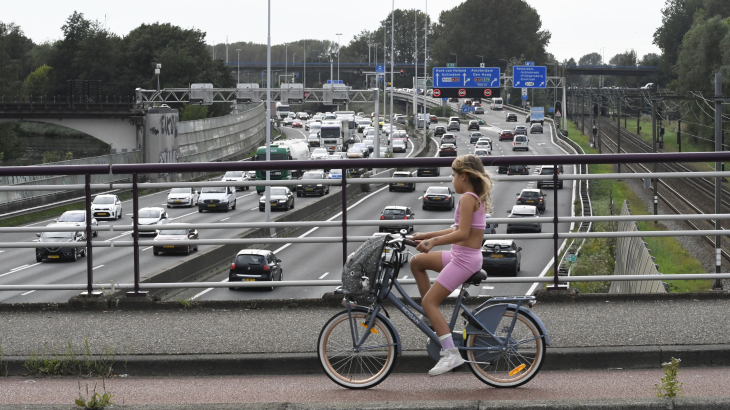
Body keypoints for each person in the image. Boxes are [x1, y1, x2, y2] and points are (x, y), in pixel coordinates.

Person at [410, 154, 493, 376]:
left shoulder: (467, 198)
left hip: (464, 260)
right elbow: (455, 229)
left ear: (463, 176)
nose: (452, 180)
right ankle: (431, 316)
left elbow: (462, 233)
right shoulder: (472, 196)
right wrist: (425, 235)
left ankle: (450, 354)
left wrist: (432, 242)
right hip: (460, 255)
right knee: (416, 262)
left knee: (429, 302)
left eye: (453, 175)